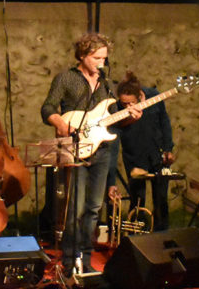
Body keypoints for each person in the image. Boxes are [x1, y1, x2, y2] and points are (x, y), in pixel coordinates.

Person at [40, 33, 140, 275]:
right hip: (76, 149)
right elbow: (48, 108)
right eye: (96, 57)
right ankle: (68, 260)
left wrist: (131, 117)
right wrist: (62, 125)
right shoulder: (65, 79)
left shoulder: (106, 84)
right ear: (83, 55)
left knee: (94, 207)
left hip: (102, 151)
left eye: (104, 58)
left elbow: (111, 124)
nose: (101, 63)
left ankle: (84, 259)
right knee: (74, 208)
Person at [114, 72, 176, 231]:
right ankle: (136, 233)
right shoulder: (117, 106)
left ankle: (161, 234)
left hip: (157, 153)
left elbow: (165, 122)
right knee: (138, 197)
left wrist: (168, 148)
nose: (128, 107)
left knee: (161, 197)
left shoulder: (153, 97)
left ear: (139, 95)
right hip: (134, 155)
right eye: (124, 104)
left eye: (131, 103)